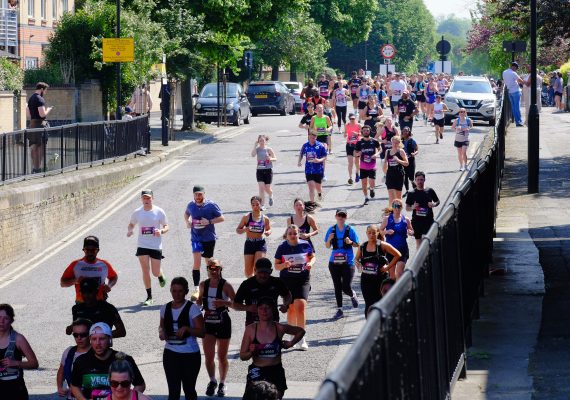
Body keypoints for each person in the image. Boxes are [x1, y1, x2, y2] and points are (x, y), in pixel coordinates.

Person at [240, 298, 305, 400]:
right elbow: (243, 356)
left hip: (276, 371)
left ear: (273, 310)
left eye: (267, 308)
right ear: (257, 310)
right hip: (257, 371)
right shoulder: (251, 329)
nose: (264, 311)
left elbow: (301, 331)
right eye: (261, 308)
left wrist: (290, 343)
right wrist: (251, 352)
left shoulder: (279, 328)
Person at [71, 323, 145, 400]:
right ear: (90, 340)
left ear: (109, 339)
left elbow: (140, 385)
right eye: (94, 339)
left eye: (102, 339)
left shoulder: (125, 360)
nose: (97, 343)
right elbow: (74, 385)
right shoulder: (81, 361)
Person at [159, 277, 205, 400]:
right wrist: (161, 333)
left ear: (186, 291)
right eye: (174, 291)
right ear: (170, 291)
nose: (177, 294)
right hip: (170, 353)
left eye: (180, 291)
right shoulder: (165, 308)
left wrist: (188, 329)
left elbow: (202, 332)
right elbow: (161, 326)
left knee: (189, 389)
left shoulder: (192, 308)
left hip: (190, 354)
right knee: (173, 391)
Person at [196, 260, 235, 397]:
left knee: (222, 356)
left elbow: (237, 304)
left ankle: (222, 382)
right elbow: (200, 299)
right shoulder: (203, 285)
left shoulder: (226, 285)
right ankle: (212, 380)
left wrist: (224, 303)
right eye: (210, 268)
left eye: (216, 268)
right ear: (207, 269)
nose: (213, 271)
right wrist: (198, 301)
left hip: (223, 321)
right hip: (208, 322)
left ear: (220, 269)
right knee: (208, 356)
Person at [274, 225, 316, 350]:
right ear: (286, 235)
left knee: (301, 306)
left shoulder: (305, 244)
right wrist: (284, 265)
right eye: (290, 233)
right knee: (291, 308)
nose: (293, 235)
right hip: (287, 281)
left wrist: (310, 263)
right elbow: (276, 266)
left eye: (295, 233)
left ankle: (302, 337)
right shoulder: (282, 247)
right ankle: (293, 335)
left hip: (302, 279)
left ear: (298, 234)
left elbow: (313, 257)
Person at [127, 189, 169, 306]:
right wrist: (130, 230)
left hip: (155, 245)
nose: (146, 200)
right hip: (142, 245)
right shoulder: (137, 212)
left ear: (152, 198)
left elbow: (166, 226)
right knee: (145, 270)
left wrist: (161, 231)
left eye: (148, 198)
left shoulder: (159, 211)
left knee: (155, 273)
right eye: (144, 198)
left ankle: (160, 274)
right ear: (141, 199)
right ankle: (149, 297)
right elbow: (131, 224)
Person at [184, 185, 225, 300]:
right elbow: (186, 213)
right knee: (196, 263)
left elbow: (222, 217)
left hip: (208, 238)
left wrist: (209, 221)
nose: (198, 196)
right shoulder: (191, 205)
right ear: (193, 195)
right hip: (196, 238)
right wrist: (187, 221)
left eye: (200, 194)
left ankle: (216, 285)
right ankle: (197, 289)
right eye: (196, 194)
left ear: (204, 194)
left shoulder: (211, 205)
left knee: (209, 263)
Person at [354, 225, 400, 317]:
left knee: (381, 302)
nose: (371, 235)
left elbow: (397, 254)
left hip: (380, 279)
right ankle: (370, 327)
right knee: (369, 303)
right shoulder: (362, 246)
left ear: (378, 233)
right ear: (366, 233)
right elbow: (356, 259)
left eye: (373, 233)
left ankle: (383, 324)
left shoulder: (382, 245)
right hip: (366, 279)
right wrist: (358, 264)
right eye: (369, 233)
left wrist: (387, 267)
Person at [233, 258, 293, 326]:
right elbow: (235, 305)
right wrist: (248, 307)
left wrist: (286, 305)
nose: (263, 275)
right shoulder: (247, 284)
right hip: (253, 324)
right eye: (260, 272)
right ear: (255, 270)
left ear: (271, 271)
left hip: (272, 323)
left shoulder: (277, 282)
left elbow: (287, 295)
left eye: (266, 272)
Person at [325, 209, 360, 319]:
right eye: (339, 215)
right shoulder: (331, 229)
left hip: (348, 261)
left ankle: (352, 294)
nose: (341, 217)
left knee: (346, 286)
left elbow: (357, 244)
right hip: (334, 262)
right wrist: (329, 239)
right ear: (336, 216)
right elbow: (327, 246)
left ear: (346, 217)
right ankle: (340, 310)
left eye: (343, 215)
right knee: (337, 286)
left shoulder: (350, 230)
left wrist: (350, 242)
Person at [61, 236, 118, 303]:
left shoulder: (104, 265)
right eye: (87, 250)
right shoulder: (75, 265)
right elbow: (63, 283)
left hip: (100, 303)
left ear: (97, 250)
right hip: (81, 304)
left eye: (93, 250)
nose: (90, 253)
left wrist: (109, 286)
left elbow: (114, 277)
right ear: (84, 250)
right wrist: (76, 280)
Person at [0, 304, 39, 400]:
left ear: (11, 321)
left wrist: (15, 363)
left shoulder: (18, 339)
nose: (1, 321)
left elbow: (34, 363)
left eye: (6, 318)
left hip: (15, 392)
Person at [236, 196, 272, 277]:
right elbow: (238, 230)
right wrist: (245, 230)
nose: (255, 206)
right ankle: (251, 285)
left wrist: (268, 232)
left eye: (257, 204)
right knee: (248, 272)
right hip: (249, 243)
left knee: (258, 267)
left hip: (260, 243)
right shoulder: (246, 217)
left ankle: (258, 286)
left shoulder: (265, 218)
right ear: (251, 205)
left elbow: (269, 229)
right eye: (253, 205)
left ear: (261, 205)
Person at [57, 318, 93, 399]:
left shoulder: (97, 353)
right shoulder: (69, 351)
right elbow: (61, 371)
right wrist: (60, 387)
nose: (79, 338)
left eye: (83, 335)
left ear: (90, 334)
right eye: (75, 335)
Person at [379, 199, 414, 279]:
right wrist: (386, 232)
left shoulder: (406, 220)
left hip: (402, 249)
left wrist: (411, 232)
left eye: (399, 206)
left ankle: (401, 290)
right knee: (392, 276)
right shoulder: (387, 219)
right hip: (390, 250)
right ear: (392, 207)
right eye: (395, 206)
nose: (397, 208)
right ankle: (393, 290)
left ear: (401, 208)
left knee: (399, 273)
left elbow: (411, 230)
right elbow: (380, 231)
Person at [405, 172, 440, 248]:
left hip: (428, 220)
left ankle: (428, 258)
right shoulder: (411, 193)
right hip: (416, 221)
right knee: (418, 242)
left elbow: (437, 201)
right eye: (418, 180)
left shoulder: (430, 191)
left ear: (424, 180)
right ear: (415, 180)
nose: (419, 182)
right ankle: (420, 259)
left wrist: (433, 204)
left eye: (421, 179)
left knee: (426, 240)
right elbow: (407, 208)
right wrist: (412, 208)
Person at [26, 82, 53, 173]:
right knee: (40, 147)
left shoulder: (31, 99)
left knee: (33, 147)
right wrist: (48, 110)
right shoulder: (40, 99)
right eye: (45, 90)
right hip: (40, 125)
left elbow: (28, 114)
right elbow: (42, 114)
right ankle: (39, 169)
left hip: (32, 124)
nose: (45, 92)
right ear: (42, 89)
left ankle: (34, 168)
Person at [298, 129, 327, 202]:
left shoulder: (320, 146)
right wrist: (299, 161)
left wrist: (318, 160)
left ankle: (319, 193)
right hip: (308, 169)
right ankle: (312, 204)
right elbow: (301, 154)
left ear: (316, 137)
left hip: (318, 169)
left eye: (314, 138)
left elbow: (325, 156)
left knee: (318, 187)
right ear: (308, 137)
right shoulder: (305, 145)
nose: (312, 139)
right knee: (311, 187)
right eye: (311, 138)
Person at [355, 125, 381, 205]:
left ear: (370, 131)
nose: (366, 132)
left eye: (367, 130)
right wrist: (358, 153)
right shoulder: (359, 142)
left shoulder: (374, 141)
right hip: (363, 166)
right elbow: (355, 152)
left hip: (372, 165)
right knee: (364, 183)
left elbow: (380, 149)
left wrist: (376, 154)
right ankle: (366, 197)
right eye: (364, 131)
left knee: (372, 182)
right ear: (362, 132)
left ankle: (372, 189)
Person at [252, 135, 276, 209]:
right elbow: (253, 155)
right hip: (259, 170)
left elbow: (275, 158)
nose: (262, 142)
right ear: (258, 141)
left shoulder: (269, 149)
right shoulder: (257, 149)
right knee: (261, 188)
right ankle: (262, 205)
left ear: (265, 141)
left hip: (268, 170)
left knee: (267, 188)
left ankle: (271, 195)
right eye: (260, 141)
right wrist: (254, 146)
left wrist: (270, 159)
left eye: (263, 140)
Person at [383, 135, 409, 205]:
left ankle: (398, 213)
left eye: (396, 143)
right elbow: (385, 163)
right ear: (391, 142)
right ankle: (391, 213)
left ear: (399, 143)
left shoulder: (401, 151)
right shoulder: (387, 151)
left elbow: (407, 163)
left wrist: (398, 160)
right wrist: (384, 173)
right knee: (391, 197)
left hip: (399, 174)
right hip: (390, 175)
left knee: (398, 198)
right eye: (393, 142)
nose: (395, 144)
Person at [502, 62, 525, 126]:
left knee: (514, 108)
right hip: (516, 91)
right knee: (517, 107)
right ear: (514, 67)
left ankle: (517, 121)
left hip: (509, 91)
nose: (516, 70)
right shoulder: (513, 73)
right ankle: (519, 121)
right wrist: (524, 81)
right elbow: (521, 81)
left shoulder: (504, 72)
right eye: (516, 68)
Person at [344, 114, 361, 185]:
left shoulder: (358, 125)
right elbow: (345, 133)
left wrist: (357, 133)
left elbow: (362, 134)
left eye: (353, 119)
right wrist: (345, 135)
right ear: (349, 119)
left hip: (356, 145)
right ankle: (350, 177)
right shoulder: (347, 125)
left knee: (357, 162)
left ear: (355, 119)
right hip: (349, 145)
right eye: (351, 119)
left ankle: (357, 173)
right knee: (350, 162)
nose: (352, 120)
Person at [401, 127, 419, 196]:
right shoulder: (401, 141)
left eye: (406, 131)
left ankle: (412, 181)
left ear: (409, 132)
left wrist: (414, 153)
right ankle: (407, 190)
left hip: (411, 160)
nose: (405, 132)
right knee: (404, 176)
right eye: (404, 131)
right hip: (403, 161)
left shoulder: (412, 141)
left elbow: (417, 149)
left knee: (411, 176)